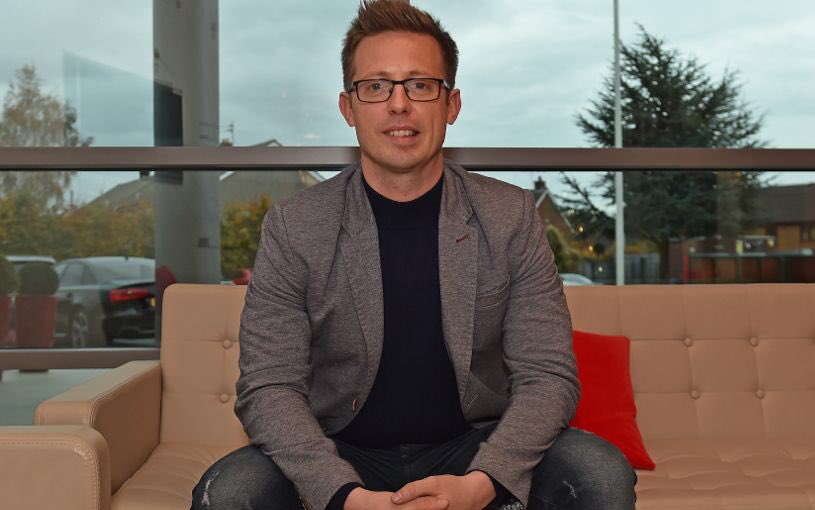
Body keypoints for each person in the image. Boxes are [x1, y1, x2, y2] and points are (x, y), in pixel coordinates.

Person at [191, 1, 636, 509]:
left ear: (451, 104)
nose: (399, 105)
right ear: (348, 108)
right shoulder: (295, 226)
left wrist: (484, 482)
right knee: (229, 494)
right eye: (376, 86)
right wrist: (344, 495)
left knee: (599, 473)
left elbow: (547, 375)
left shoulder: (510, 216)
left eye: (420, 85)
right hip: (338, 450)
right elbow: (269, 385)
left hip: (476, 448)